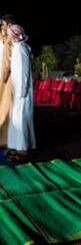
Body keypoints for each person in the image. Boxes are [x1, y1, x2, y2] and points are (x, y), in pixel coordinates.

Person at [6, 25, 36, 162]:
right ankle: (16, 146)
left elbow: (23, 73)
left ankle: (23, 150)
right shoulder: (18, 49)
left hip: (22, 93)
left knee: (22, 121)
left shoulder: (20, 49)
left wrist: (22, 92)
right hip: (18, 91)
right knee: (16, 121)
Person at [0, 14, 16, 151]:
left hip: (8, 80)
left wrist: (5, 74)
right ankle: (4, 139)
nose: (2, 27)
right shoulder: (6, 39)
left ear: (10, 26)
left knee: (8, 109)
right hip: (4, 80)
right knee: (3, 110)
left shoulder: (12, 39)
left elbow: (14, 58)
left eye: (4, 25)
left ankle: (9, 141)